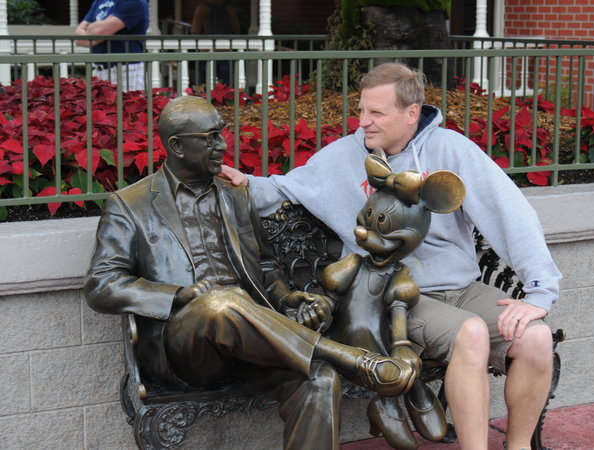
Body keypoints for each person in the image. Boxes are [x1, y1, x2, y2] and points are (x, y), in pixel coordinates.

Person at [221, 62, 562, 450]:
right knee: (471, 333)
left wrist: (539, 291)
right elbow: (283, 190)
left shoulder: (451, 150)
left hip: (461, 287)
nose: (363, 121)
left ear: (411, 113)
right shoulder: (342, 157)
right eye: (362, 110)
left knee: (535, 338)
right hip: (393, 297)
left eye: (377, 113)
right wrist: (244, 183)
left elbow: (509, 213)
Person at [83, 95, 417, 450]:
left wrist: (286, 299)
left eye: (221, 133)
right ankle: (348, 357)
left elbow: (266, 263)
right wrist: (179, 295)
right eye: (210, 137)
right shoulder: (129, 205)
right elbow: (102, 284)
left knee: (319, 380)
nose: (221, 145)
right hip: (186, 349)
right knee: (219, 302)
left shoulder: (235, 194)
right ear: (177, 146)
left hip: (253, 340)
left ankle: (332, 360)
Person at [75, 0, 149, 91]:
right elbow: (78, 39)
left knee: (126, 100)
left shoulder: (134, 2)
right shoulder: (99, 1)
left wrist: (91, 28)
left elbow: (97, 33)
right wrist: (99, 28)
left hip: (126, 70)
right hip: (99, 69)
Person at [191, 0, 241, 86]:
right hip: (225, 48)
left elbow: (195, 30)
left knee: (204, 81)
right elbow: (235, 28)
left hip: (206, 49)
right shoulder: (229, 9)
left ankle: (203, 93)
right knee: (225, 82)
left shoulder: (202, 9)